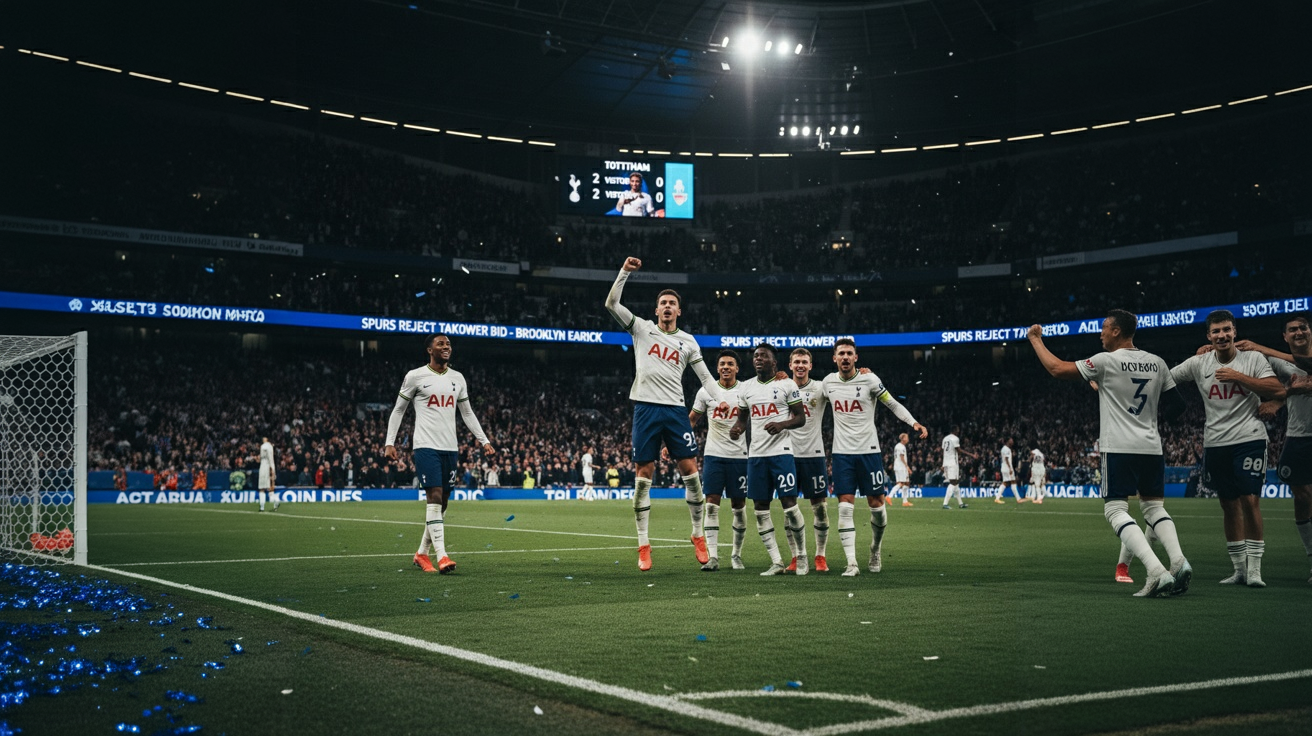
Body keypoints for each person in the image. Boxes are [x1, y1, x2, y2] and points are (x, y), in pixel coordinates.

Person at [1028, 309, 1191, 597]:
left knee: (1115, 510)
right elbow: (1178, 405)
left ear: (1116, 331)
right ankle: (1178, 562)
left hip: (1119, 447)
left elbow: (1056, 369)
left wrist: (1035, 340)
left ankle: (1156, 572)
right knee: (1154, 509)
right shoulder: (1157, 362)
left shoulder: (1105, 361)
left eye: (1104, 327)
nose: (1100, 333)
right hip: (1151, 446)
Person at [605, 256, 727, 571]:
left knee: (691, 472)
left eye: (673, 303)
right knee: (643, 476)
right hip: (645, 408)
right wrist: (624, 272)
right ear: (656, 310)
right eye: (663, 303)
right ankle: (643, 544)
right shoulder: (641, 328)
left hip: (675, 410)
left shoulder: (688, 341)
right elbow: (611, 304)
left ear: (679, 311)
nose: (668, 307)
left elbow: (705, 378)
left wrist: (721, 400)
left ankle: (697, 534)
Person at [1171, 309, 1285, 587]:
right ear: (1208, 336)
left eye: (1226, 330)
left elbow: (1276, 389)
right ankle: (1239, 570)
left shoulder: (1252, 359)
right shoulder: (1199, 362)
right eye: (1216, 331)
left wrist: (1238, 377)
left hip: (1249, 438)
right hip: (1216, 442)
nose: (1222, 335)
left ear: (1235, 332)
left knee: (1250, 500)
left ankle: (1255, 570)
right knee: (1228, 504)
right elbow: (1167, 377)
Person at [385, 334, 496, 575]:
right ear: (429, 350)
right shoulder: (415, 376)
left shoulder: (458, 378)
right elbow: (398, 410)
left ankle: (421, 553)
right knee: (434, 496)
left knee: (443, 501)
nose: (446, 347)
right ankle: (442, 556)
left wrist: (484, 440)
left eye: (448, 344)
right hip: (426, 446)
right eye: (441, 344)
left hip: (450, 447)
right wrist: (389, 442)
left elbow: (467, 413)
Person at [822, 338, 927, 576]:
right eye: (841, 353)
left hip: (869, 452)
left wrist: (913, 422)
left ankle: (875, 549)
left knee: (877, 505)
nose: (845, 357)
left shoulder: (870, 379)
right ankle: (851, 563)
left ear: (856, 357)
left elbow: (892, 404)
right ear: (834, 358)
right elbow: (806, 390)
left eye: (849, 353)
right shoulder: (827, 383)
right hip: (842, 454)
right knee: (844, 507)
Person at [1231, 313, 1312, 583]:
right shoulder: (1279, 364)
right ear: (1285, 336)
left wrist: (1262, 347)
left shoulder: (1283, 357)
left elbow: (1305, 366)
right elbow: (1245, 359)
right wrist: (1210, 349)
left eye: (1303, 328)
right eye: (1293, 330)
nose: (1299, 332)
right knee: (1301, 496)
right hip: (1298, 435)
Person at [729, 343, 806, 576]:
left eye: (763, 355)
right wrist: (737, 429)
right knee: (760, 509)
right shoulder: (746, 387)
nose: (758, 359)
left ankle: (802, 556)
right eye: (756, 356)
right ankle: (776, 561)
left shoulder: (787, 384)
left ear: (774, 361)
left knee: (790, 506)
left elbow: (800, 418)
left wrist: (782, 424)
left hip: (781, 453)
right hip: (756, 456)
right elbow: (742, 420)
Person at [688, 350, 748, 571]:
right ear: (717, 368)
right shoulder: (706, 391)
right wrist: (674, 443)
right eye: (722, 364)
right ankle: (713, 557)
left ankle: (736, 554)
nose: (725, 367)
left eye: (730, 364)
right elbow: (692, 420)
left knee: (738, 507)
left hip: (739, 456)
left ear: (737, 368)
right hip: (714, 455)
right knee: (711, 505)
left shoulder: (746, 390)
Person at [788, 348, 832, 573]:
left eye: (804, 362)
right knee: (789, 509)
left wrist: (862, 374)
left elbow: (843, 387)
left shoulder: (820, 387)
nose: (800, 365)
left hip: (814, 455)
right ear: (790, 365)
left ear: (810, 366)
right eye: (797, 361)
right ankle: (796, 556)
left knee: (820, 508)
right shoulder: (782, 387)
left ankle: (820, 555)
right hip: (787, 456)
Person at [940, 427, 977, 509]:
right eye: (958, 431)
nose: (958, 432)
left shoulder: (945, 439)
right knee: (953, 482)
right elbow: (959, 450)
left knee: (956, 483)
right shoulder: (955, 438)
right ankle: (945, 504)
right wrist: (971, 455)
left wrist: (943, 464)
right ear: (955, 430)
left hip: (946, 463)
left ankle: (960, 503)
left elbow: (944, 452)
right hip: (953, 463)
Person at [995, 437, 1025, 504]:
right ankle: (1018, 499)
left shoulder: (1004, 448)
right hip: (1007, 468)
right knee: (1013, 482)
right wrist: (1010, 468)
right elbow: (1006, 459)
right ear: (1008, 441)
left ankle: (997, 498)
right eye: (1011, 440)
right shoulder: (1007, 449)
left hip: (1004, 467)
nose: (1012, 441)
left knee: (1006, 483)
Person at [892, 433, 914, 507]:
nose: (908, 439)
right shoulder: (901, 447)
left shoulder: (897, 446)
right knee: (901, 483)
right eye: (907, 437)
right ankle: (889, 496)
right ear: (903, 438)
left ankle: (905, 501)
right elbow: (902, 457)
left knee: (907, 483)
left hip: (898, 466)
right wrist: (907, 467)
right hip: (901, 467)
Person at [258, 436, 278, 511]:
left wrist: (272, 469)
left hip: (265, 467)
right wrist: (273, 469)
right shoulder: (270, 447)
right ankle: (276, 501)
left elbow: (268, 458)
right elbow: (271, 459)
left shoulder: (264, 446)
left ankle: (262, 507)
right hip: (269, 467)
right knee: (269, 488)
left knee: (262, 487)